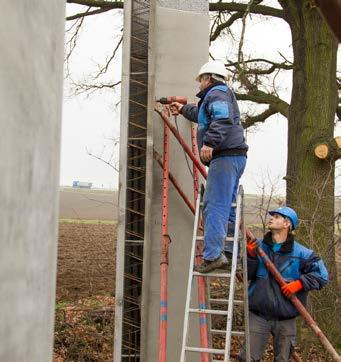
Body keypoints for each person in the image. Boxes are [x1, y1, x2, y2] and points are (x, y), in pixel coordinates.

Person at [170, 60, 248, 273]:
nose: (199, 84)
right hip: (235, 157)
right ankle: (231, 254)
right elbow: (204, 115)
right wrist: (184, 109)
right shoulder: (216, 97)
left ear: (209, 78)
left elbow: (221, 119)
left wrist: (209, 143)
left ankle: (213, 256)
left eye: (201, 80)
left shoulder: (217, 94)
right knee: (228, 205)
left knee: (214, 205)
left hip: (224, 157)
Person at [239, 206, 329, 362]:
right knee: (247, 358)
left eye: (277, 216)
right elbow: (246, 275)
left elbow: (322, 276)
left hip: (286, 318)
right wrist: (250, 257)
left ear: (287, 224)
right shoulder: (258, 247)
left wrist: (299, 283)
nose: (271, 218)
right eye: (271, 215)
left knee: (283, 360)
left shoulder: (302, 254)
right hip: (258, 315)